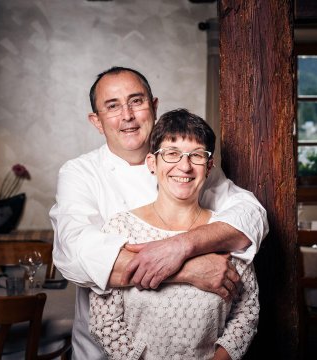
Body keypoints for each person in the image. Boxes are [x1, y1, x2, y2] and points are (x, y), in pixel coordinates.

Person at [50, 66, 268, 359]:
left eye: (136, 101)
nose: (127, 115)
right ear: (97, 122)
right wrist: (187, 270)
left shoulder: (191, 166)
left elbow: (251, 215)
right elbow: (76, 255)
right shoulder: (79, 173)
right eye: (112, 106)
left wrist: (182, 245)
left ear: (153, 107)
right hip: (104, 353)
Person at [89, 109, 259, 359]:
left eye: (197, 155)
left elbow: (246, 312)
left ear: (209, 166)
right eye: (172, 153)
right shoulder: (121, 228)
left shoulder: (224, 231)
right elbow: (105, 321)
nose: (185, 166)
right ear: (152, 163)